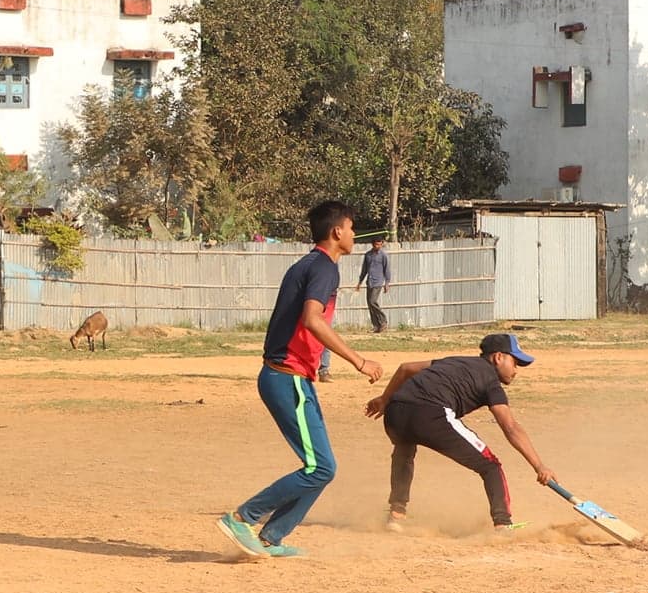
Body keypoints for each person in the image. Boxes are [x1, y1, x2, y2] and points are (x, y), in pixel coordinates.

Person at [217, 201, 381, 559]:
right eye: (352, 228)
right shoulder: (324, 267)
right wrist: (359, 361)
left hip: (290, 377)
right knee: (320, 467)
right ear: (337, 232)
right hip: (285, 378)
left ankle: (270, 537)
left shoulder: (309, 264)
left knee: (323, 468)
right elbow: (312, 319)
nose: (355, 235)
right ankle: (241, 517)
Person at [366, 333, 555, 532]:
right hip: (431, 414)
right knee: (491, 466)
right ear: (499, 357)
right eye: (515, 362)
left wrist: (384, 400)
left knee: (404, 449)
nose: (516, 370)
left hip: (396, 411)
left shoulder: (454, 361)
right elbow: (510, 427)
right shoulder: (491, 382)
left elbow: (406, 368)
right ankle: (503, 524)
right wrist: (539, 466)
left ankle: (396, 514)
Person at [359, 239, 392, 334]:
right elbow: (364, 269)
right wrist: (360, 281)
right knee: (370, 304)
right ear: (373, 244)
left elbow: (387, 270)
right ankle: (376, 326)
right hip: (369, 282)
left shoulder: (383, 256)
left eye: (380, 244)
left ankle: (383, 321)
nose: (378, 246)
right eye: (376, 244)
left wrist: (387, 283)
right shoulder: (368, 255)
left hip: (378, 282)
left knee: (372, 301)